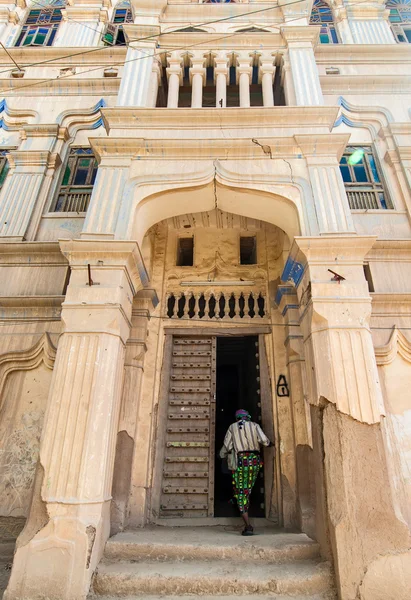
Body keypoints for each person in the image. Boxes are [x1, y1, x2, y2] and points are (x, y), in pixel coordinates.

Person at [220, 409, 273, 536]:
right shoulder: (255, 425)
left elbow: (227, 446)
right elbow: (265, 441)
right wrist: (272, 444)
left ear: (237, 418)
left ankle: (248, 525)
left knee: (241, 491)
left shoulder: (232, 427)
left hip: (241, 461)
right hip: (254, 461)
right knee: (247, 488)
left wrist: (221, 455)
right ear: (247, 417)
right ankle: (244, 501)